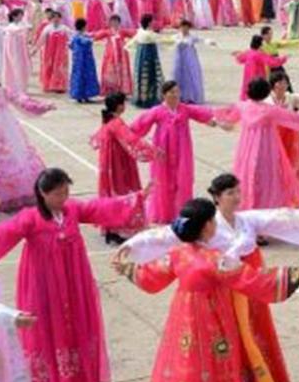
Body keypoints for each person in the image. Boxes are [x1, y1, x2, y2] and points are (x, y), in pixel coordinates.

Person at [119, 173, 299, 382]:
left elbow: (283, 217)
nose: (236, 196)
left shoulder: (186, 252)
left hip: (202, 309)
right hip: (225, 300)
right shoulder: (214, 259)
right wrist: (290, 276)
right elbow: (251, 280)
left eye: (237, 191)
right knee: (228, 351)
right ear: (214, 204)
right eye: (230, 193)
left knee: (201, 355)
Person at [0, 168, 145, 382]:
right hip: (43, 284)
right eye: (58, 194)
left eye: (66, 192)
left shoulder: (72, 210)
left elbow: (98, 208)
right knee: (48, 327)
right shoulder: (30, 217)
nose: (63, 198)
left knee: (76, 324)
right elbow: (2, 234)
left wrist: (136, 199)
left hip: (74, 281)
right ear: (43, 194)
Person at [216, 77, 299, 210]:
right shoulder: (270, 110)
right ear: (266, 92)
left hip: (246, 148)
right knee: (268, 177)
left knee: (247, 173)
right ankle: (265, 205)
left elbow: (225, 114)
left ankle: (248, 203)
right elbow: (296, 118)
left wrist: (213, 117)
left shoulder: (243, 106)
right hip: (266, 149)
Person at [129, 80, 220, 223]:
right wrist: (132, 139)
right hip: (163, 152)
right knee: (162, 182)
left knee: (183, 181)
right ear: (164, 95)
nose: (176, 95)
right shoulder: (157, 111)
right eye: (172, 92)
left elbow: (202, 114)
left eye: (177, 92)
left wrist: (215, 120)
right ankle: (163, 214)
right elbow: (138, 126)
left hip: (183, 151)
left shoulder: (184, 109)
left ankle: (182, 213)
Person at [0, 63, 54, 210]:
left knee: (19, 157)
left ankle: (24, 192)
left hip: (10, 131)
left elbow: (23, 101)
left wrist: (43, 106)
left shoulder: (2, 91)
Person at [91, 92, 159, 244]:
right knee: (121, 193)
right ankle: (118, 230)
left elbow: (96, 139)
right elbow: (132, 140)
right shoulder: (116, 123)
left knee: (110, 193)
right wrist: (153, 151)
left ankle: (110, 229)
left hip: (108, 164)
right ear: (120, 106)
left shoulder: (108, 121)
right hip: (118, 165)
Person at [170, 18, 216, 104]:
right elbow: (166, 41)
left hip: (190, 60)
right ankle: (179, 96)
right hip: (179, 60)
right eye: (182, 27)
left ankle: (191, 96)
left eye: (186, 27)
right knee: (178, 76)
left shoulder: (191, 37)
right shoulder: (176, 36)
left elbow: (202, 40)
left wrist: (209, 42)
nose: (184, 29)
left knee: (191, 76)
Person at [233, 34, 287, 100]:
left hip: (248, 79)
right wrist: (284, 58)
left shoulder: (248, 52)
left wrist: (237, 54)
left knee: (247, 94)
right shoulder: (260, 55)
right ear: (260, 44)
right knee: (258, 96)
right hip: (258, 79)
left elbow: (240, 59)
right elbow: (272, 62)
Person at [36, 9, 70, 94]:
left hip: (61, 53)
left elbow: (71, 38)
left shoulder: (64, 28)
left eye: (58, 17)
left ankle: (59, 86)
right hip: (49, 52)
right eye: (54, 17)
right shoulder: (47, 28)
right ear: (51, 19)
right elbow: (41, 40)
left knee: (60, 68)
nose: (56, 19)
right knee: (49, 66)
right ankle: (49, 85)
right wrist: (35, 49)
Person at [67, 18, 100, 103]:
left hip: (77, 61)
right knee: (86, 76)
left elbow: (70, 45)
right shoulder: (82, 37)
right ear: (83, 27)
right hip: (85, 61)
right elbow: (88, 42)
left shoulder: (75, 36)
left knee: (78, 76)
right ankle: (85, 95)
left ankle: (79, 95)